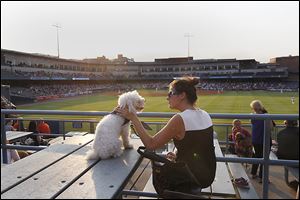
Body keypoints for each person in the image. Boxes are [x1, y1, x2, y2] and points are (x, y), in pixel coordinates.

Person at [115, 76, 216, 193]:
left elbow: (151, 144)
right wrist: (178, 155)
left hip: (192, 177)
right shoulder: (205, 114)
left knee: (159, 176)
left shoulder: (180, 119)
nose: (167, 98)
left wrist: (133, 117)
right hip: (208, 174)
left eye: (171, 93)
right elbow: (195, 145)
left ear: (182, 95)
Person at [250, 100, 273, 183]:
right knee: (265, 158)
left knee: (256, 156)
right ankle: (262, 178)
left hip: (255, 140)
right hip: (264, 140)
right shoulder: (266, 115)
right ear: (260, 106)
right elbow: (271, 128)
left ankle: (253, 174)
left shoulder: (252, 116)